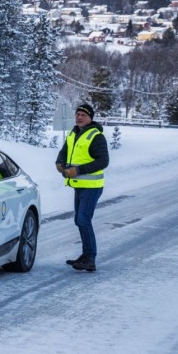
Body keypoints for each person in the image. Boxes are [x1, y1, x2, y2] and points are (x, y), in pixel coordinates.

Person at [55, 103, 109, 272]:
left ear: (90, 118)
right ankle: (86, 255)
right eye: (77, 114)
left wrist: (78, 170)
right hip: (79, 185)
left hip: (92, 186)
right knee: (79, 220)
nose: (79, 117)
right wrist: (59, 162)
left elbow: (103, 161)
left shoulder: (96, 136)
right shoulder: (74, 133)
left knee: (83, 220)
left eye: (83, 115)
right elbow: (64, 151)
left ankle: (90, 258)